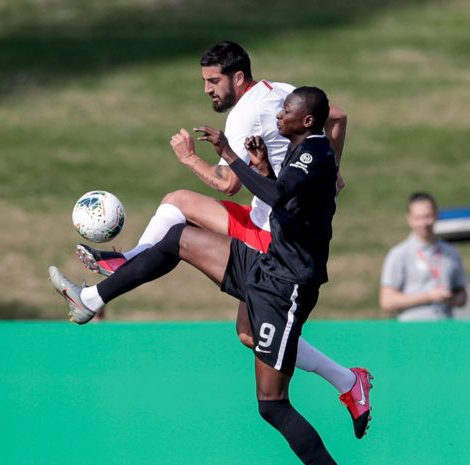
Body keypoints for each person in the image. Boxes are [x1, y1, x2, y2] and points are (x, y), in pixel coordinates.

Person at [74, 41, 372, 438]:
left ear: (237, 77)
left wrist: (189, 158)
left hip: (271, 236)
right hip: (271, 223)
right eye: (203, 81)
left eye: (213, 81)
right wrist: (331, 165)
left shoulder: (245, 114)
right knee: (248, 334)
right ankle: (348, 381)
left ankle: (126, 263)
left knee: (178, 204)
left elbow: (228, 185)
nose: (207, 89)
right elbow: (338, 115)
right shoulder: (280, 90)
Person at [379, 192, 468, 321]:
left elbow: (463, 297)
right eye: (418, 218)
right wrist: (429, 297)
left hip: (445, 331)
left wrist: (452, 298)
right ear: (409, 219)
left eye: (427, 216)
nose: (423, 223)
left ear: (436, 215)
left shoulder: (451, 252)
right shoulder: (399, 254)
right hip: (413, 333)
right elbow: (387, 301)